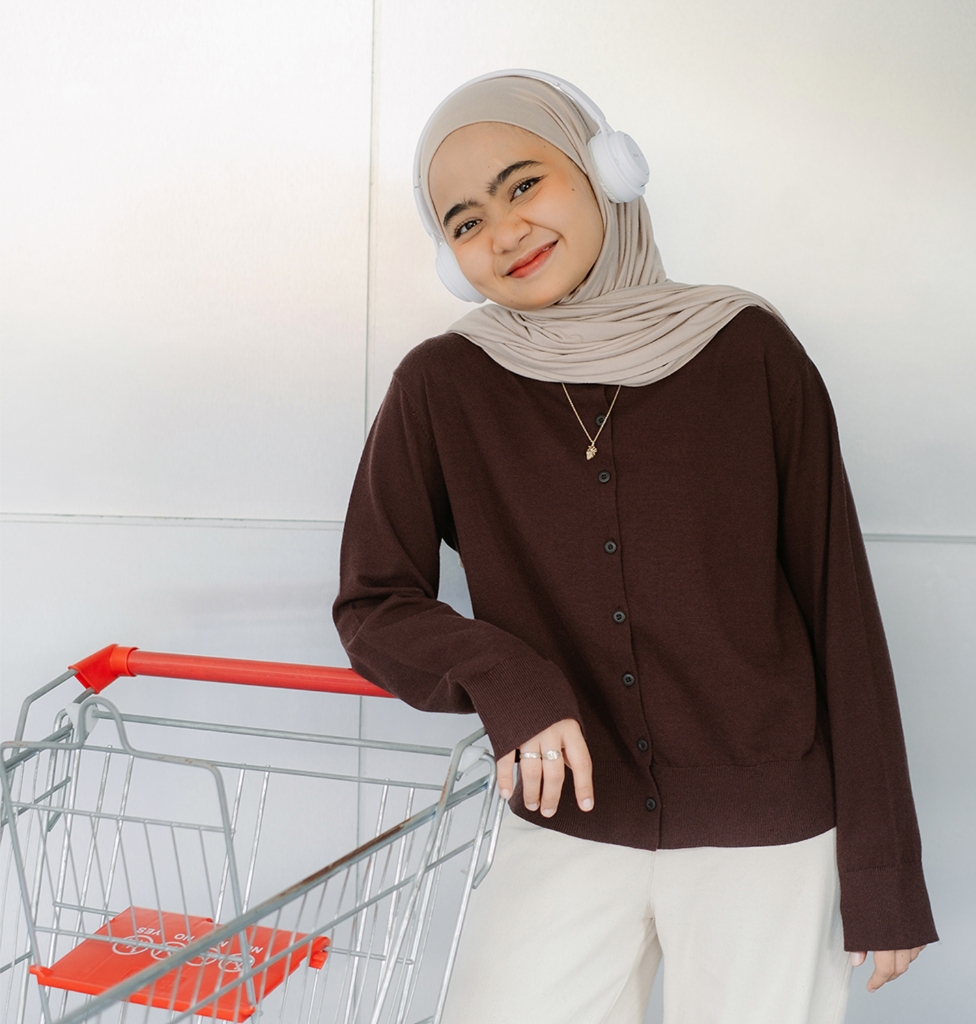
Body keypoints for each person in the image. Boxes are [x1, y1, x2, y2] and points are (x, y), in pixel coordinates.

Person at [333, 70, 938, 1024]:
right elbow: (374, 602)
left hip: (766, 838)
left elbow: (840, 612)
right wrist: (506, 677)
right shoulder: (443, 386)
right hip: (568, 821)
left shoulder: (749, 351)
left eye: (524, 184)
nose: (505, 231)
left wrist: (883, 869)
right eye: (465, 221)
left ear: (605, 171)